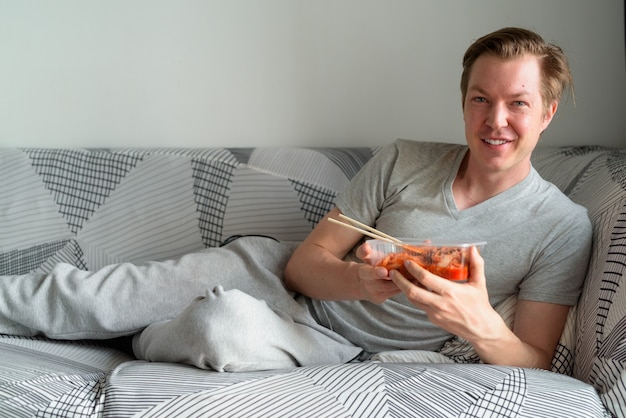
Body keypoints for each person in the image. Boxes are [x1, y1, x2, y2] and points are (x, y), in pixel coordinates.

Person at [0, 27, 591, 372]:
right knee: (94, 292)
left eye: (517, 102)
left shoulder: (562, 228)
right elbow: (306, 266)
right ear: (464, 103)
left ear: (547, 112)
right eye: (480, 100)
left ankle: (139, 333)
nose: (496, 121)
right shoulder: (406, 158)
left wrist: (478, 322)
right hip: (270, 271)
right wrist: (364, 279)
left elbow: (537, 360)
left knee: (218, 327)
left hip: (335, 343)